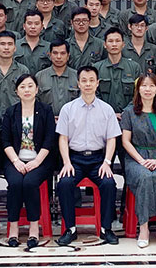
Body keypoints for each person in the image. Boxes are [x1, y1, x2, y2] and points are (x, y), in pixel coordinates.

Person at [55, 66, 121, 246]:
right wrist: (66, 162)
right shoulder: (68, 109)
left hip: (98, 160)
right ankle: (70, 229)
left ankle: (106, 228)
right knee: (64, 183)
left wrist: (107, 162)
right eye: (84, 80)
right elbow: (63, 138)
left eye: (92, 80)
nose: (88, 84)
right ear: (78, 83)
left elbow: (112, 139)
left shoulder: (107, 109)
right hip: (74, 159)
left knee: (108, 183)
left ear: (97, 83)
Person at [0, 74, 57, 248]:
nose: (27, 90)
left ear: (37, 90)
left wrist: (37, 162)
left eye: (30, 86)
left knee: (30, 183)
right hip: (15, 160)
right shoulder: (11, 112)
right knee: (16, 183)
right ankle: (13, 229)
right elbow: (5, 141)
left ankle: (34, 228)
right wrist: (16, 161)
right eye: (22, 86)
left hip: (40, 160)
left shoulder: (45, 110)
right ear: (16, 91)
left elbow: (49, 139)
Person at [121, 75, 156, 249]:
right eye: (144, 86)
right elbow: (125, 141)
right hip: (136, 158)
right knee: (145, 176)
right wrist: (141, 160)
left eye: (152, 86)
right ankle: (143, 228)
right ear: (138, 89)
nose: (148, 89)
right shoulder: (129, 112)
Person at [94, 28, 142, 116]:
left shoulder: (134, 67)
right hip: (103, 116)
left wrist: (125, 112)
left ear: (123, 44)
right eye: (110, 41)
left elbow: (139, 94)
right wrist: (110, 113)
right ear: (105, 44)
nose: (114, 44)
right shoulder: (96, 68)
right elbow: (93, 95)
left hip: (129, 117)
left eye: (117, 41)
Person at [36, 40, 79, 116]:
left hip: (72, 120)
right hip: (46, 120)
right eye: (55, 53)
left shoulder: (77, 76)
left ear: (68, 56)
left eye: (63, 53)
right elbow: (35, 102)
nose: (58, 57)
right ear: (50, 55)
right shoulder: (40, 77)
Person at [15, 9, 52, 75]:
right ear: (24, 26)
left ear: (42, 27)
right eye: (29, 23)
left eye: (37, 24)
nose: (33, 27)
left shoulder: (49, 47)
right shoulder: (15, 46)